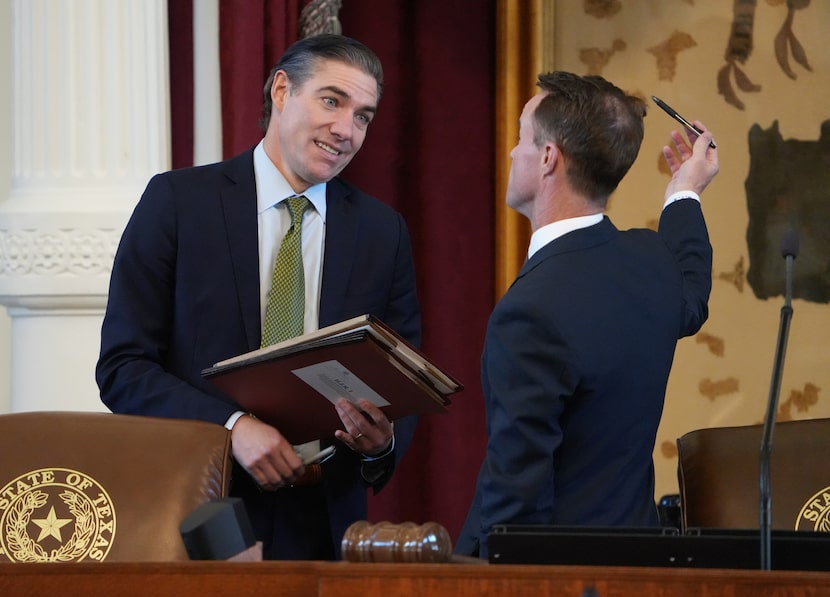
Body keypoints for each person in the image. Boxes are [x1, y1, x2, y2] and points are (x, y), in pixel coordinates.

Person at [96, 34, 421, 560]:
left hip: (324, 526)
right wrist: (233, 428)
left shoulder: (384, 232)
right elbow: (124, 368)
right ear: (281, 90)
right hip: (196, 512)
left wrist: (380, 441)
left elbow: (402, 382)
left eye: (364, 116)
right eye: (332, 100)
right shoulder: (177, 202)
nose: (346, 130)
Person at [456, 71, 720, 559]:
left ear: (549, 158)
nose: (513, 152)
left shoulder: (530, 312)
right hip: (639, 567)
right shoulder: (650, 264)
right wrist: (685, 191)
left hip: (559, 575)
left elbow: (516, 500)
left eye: (521, 138)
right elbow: (693, 295)